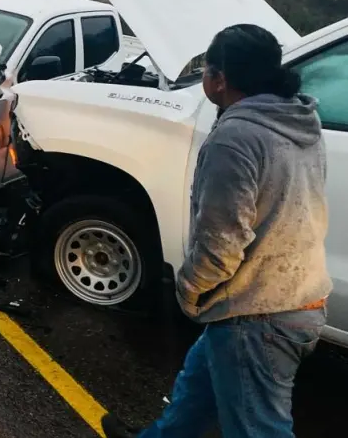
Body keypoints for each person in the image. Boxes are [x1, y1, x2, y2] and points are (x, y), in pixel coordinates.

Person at [103, 24, 331, 438]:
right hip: (296, 296)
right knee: (196, 391)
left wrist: (188, 292)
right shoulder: (300, 121)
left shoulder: (235, 137)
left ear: (220, 79)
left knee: (258, 427)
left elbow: (221, 244)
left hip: (258, 313)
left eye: (206, 69)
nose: (204, 77)